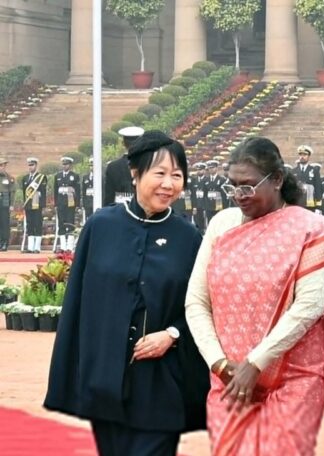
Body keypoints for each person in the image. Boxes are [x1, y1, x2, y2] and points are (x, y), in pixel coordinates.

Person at [184, 136, 324, 455]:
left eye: (247, 186)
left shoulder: (311, 230)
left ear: (276, 179)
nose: (238, 195)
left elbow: (309, 307)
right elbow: (196, 301)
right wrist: (219, 363)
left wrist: (256, 363)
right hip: (230, 379)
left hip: (295, 377)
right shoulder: (222, 224)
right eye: (232, 185)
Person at [44, 131, 209, 456]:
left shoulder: (188, 237)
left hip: (162, 378)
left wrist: (172, 334)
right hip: (107, 376)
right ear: (135, 174)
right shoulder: (100, 227)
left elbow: (202, 304)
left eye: (177, 176)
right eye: (159, 173)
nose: (169, 184)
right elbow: (78, 303)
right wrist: (76, 372)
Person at [105, 126, 143, 205]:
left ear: (123, 143)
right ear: (140, 143)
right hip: (140, 208)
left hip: (118, 208)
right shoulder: (146, 164)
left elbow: (109, 195)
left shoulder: (112, 166)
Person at [53, 156, 80, 252]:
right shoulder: (58, 176)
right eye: (63, 164)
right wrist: (55, 204)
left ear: (70, 165)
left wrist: (77, 205)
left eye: (67, 164)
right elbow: (55, 191)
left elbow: (78, 191)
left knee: (70, 223)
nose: (65, 166)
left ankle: (69, 246)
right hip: (61, 203)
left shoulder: (74, 176)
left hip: (70, 203)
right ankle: (63, 246)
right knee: (61, 223)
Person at [21, 157, 47, 253]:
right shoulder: (25, 178)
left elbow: (43, 193)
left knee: (37, 224)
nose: (30, 167)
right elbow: (25, 193)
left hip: (37, 204)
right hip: (28, 205)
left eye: (32, 165)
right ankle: (30, 247)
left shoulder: (41, 178)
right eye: (29, 165)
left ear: (36, 165)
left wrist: (43, 205)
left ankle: (37, 247)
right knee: (30, 225)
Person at [293, 145, 322, 211]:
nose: (302, 157)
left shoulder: (314, 171)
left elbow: (318, 188)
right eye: (300, 155)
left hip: (310, 204)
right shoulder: (293, 171)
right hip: (297, 204)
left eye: (305, 155)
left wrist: (318, 207)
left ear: (309, 156)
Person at [0, 157, 15, 251]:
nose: (2, 167)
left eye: (4, 165)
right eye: (1, 165)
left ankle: (5, 242)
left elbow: (12, 192)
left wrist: (11, 204)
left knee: (5, 223)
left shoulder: (9, 178)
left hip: (5, 201)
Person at [81, 158, 95, 222]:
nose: (91, 167)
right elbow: (84, 191)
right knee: (88, 218)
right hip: (88, 201)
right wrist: (84, 203)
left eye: (93, 165)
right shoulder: (85, 177)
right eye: (90, 166)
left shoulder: (100, 176)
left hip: (95, 200)